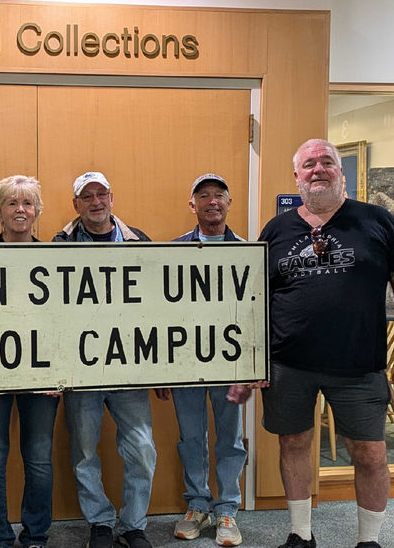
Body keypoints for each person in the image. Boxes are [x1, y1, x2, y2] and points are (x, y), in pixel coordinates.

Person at [256, 139, 394, 548]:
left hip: (359, 365)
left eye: (326, 162)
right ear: (296, 176)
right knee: (293, 443)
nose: (318, 169)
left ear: (340, 171)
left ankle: (369, 540)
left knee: (370, 454)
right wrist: (252, 361)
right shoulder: (276, 230)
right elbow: (255, 300)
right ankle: (300, 534)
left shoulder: (377, 221)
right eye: (308, 164)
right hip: (287, 364)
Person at [52, 172, 157, 548]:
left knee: (143, 449)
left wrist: (162, 366)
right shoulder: (59, 244)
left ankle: (133, 525)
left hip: (129, 366)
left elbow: (158, 306)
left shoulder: (137, 240)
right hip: (82, 371)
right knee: (83, 451)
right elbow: (53, 311)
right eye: (86, 196)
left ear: (112, 198)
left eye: (101, 194)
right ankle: (99, 522)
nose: (95, 202)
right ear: (75, 204)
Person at [155, 173, 247, 547]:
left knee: (230, 438)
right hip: (185, 362)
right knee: (191, 437)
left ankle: (227, 509)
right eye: (204, 195)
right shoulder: (173, 251)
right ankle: (197, 505)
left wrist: (253, 368)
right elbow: (159, 312)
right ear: (192, 205)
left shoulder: (247, 250)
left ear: (229, 203)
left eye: (219, 195)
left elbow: (253, 311)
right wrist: (161, 368)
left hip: (230, 363)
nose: (212, 201)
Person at [0, 174, 60, 548]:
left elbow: (64, 320)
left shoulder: (54, 259)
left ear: (37, 211)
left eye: (27, 203)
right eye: (12, 203)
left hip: (42, 374)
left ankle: (35, 533)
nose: (20, 210)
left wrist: (62, 372)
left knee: (38, 457)